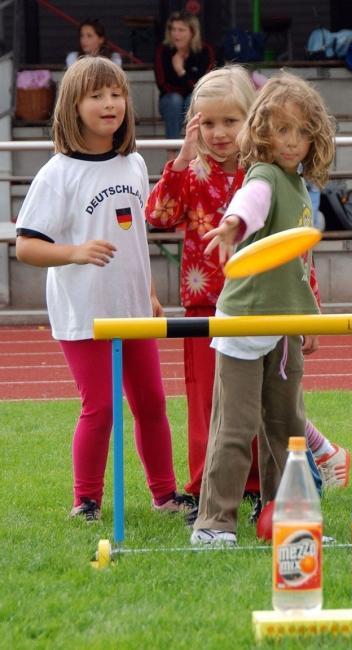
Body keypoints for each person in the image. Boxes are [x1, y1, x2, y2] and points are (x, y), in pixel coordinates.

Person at [146, 66, 349, 516]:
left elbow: (295, 248)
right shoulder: (192, 175)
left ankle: (263, 486)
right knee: (213, 407)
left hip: (267, 305)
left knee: (271, 405)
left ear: (253, 122)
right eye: (208, 124)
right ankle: (208, 487)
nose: (219, 134)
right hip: (207, 306)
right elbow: (158, 215)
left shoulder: (268, 174)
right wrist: (180, 161)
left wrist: (309, 308)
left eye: (230, 122)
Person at [15, 56, 194, 521]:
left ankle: (165, 497)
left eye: (116, 94)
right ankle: (86, 502)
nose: (109, 103)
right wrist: (74, 252)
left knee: (152, 403)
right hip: (85, 314)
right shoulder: (58, 173)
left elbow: (134, 236)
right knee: (101, 407)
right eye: (96, 96)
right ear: (73, 107)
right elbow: (27, 248)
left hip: (133, 308)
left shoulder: (132, 163)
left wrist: (151, 293)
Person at [190, 72, 337, 546]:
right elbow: (251, 202)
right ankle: (214, 523)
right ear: (261, 133)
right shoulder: (266, 176)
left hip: (285, 324)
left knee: (288, 431)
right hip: (247, 321)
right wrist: (233, 225)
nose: (291, 142)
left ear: (314, 137)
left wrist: (308, 316)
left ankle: (291, 520)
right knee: (236, 427)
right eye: (281, 130)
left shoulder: (300, 187)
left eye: (301, 131)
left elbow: (296, 261)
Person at [154, 11, 215, 145]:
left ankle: (194, 151)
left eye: (181, 30)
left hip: (196, 98)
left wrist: (181, 71)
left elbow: (204, 86)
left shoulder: (205, 51)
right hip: (170, 100)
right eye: (173, 30)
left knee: (191, 99)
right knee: (175, 101)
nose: (176, 34)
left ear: (192, 32)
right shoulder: (163, 50)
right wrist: (184, 90)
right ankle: (171, 152)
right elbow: (162, 84)